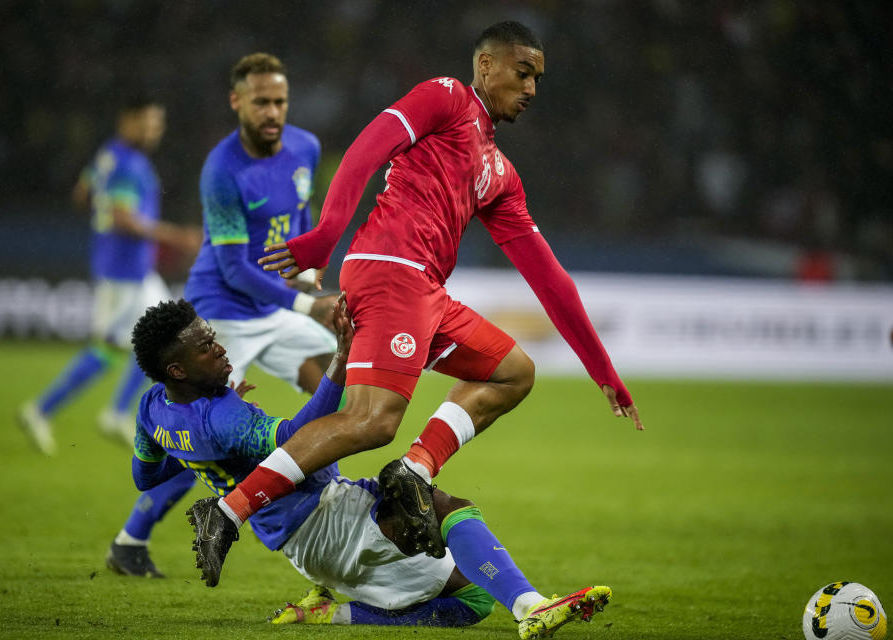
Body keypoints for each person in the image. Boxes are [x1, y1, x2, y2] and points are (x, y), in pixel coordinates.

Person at [189, 21, 645, 580]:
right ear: (485, 66)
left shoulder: (500, 174)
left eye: (538, 79)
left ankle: (413, 470)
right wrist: (326, 234)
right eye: (522, 73)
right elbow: (365, 151)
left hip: (427, 289)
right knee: (371, 420)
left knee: (514, 372)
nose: (531, 89)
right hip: (391, 270)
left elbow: (551, 279)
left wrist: (603, 369)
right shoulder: (445, 97)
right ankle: (227, 511)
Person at [129, 298, 611, 639]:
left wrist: (194, 452)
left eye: (211, 335)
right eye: (205, 346)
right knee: (449, 528)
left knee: (418, 512)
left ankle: (329, 606)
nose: (218, 347)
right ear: (178, 370)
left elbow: (145, 477)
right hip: (323, 522)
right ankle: (530, 608)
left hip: (302, 535)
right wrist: (342, 358)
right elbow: (303, 437)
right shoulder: (225, 418)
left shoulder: (153, 408)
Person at [102, 53, 340, 577]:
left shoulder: (305, 147)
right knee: (209, 437)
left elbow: (298, 225)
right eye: (261, 102)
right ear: (237, 102)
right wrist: (306, 304)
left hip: (272, 305)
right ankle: (129, 542)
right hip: (220, 315)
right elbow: (233, 267)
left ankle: (333, 510)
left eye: (279, 101)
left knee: (335, 386)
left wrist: (307, 272)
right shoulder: (222, 170)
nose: (272, 112)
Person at [18, 96, 199, 457]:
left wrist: (103, 210)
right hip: (123, 273)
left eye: (158, 123)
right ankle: (41, 409)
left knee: (171, 336)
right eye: (148, 122)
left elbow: (81, 193)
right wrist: (178, 237)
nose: (155, 130)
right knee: (107, 351)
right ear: (128, 121)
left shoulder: (110, 154)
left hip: (131, 270)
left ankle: (116, 413)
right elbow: (123, 219)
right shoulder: (130, 165)